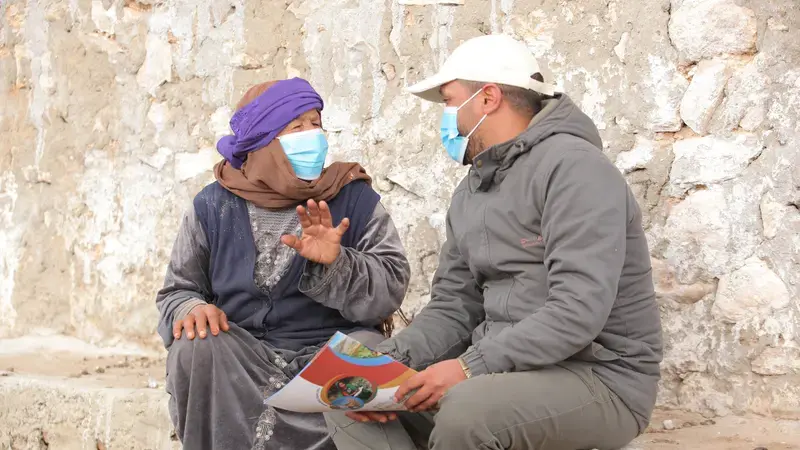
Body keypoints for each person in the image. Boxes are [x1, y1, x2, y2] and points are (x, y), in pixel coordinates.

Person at [325, 34, 663, 450]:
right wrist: (390, 363)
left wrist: (468, 367)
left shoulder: (576, 170)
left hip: (600, 379)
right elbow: (453, 308)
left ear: (488, 99)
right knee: (344, 388)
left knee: (466, 412)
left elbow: (577, 311)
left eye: (450, 102)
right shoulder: (471, 192)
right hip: (495, 374)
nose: (448, 119)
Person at [156, 77, 411, 450]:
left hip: (330, 351)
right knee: (194, 346)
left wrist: (338, 263)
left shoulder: (354, 196)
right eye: (297, 127)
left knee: (366, 358)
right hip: (243, 359)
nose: (312, 135)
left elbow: (390, 288)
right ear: (264, 142)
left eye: (316, 124)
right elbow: (178, 290)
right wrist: (191, 308)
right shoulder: (212, 205)